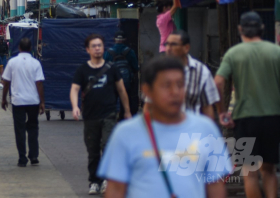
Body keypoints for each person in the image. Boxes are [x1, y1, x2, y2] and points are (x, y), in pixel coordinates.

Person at [98, 56, 230, 198]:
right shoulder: (125, 134)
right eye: (166, 85)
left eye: (180, 84)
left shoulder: (206, 129)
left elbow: (215, 187)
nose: (175, 92)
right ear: (147, 91)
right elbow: (116, 190)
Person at [215, 11, 280, 198]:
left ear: (240, 29)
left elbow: (218, 82)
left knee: (249, 171)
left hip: (244, 119)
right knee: (269, 170)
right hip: (273, 118)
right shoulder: (275, 51)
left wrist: (221, 112)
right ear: (262, 28)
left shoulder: (234, 53)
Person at [70, 34, 131, 195]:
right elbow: (75, 89)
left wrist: (127, 111)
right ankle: (94, 181)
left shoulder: (112, 68)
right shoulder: (82, 70)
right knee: (93, 151)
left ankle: (106, 180)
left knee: (108, 147)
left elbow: (121, 90)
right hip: (90, 117)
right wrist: (75, 106)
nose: (97, 48)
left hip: (109, 115)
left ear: (103, 48)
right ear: (88, 49)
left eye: (100, 46)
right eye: (94, 46)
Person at [1, 38, 45, 167]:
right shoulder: (36, 63)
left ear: (19, 48)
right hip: (33, 100)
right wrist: (42, 101)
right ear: (31, 48)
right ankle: (34, 155)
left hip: (18, 101)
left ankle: (22, 157)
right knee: (33, 128)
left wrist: (4, 99)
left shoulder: (12, 62)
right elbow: (39, 83)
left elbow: (6, 82)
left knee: (19, 129)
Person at [164, 30, 219, 119]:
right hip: (163, 130)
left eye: (173, 44)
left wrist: (208, 131)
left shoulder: (201, 71)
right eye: (167, 44)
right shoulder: (158, 71)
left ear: (186, 48)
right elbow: (149, 105)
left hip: (191, 130)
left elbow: (207, 107)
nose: (168, 49)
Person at [103, 31, 139, 120]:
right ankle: (123, 119)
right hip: (126, 82)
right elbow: (135, 67)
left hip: (112, 82)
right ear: (125, 40)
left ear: (114, 40)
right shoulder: (130, 52)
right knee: (126, 100)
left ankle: (111, 119)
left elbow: (103, 68)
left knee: (112, 101)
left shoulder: (108, 52)